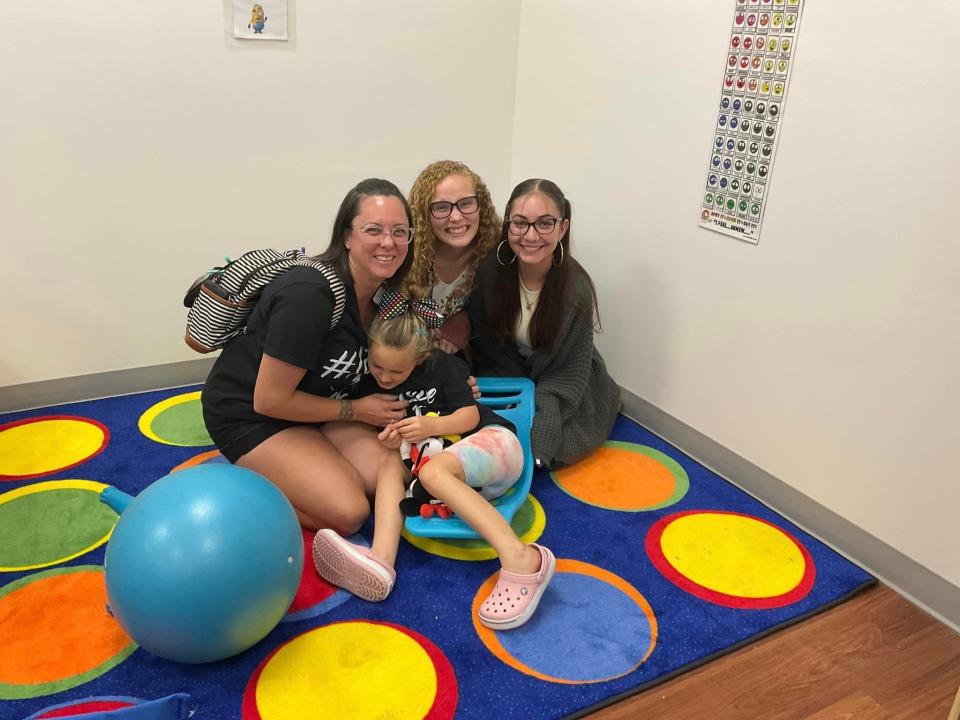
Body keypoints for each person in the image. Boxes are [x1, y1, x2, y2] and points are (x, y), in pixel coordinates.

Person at [312, 290, 556, 631]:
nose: (384, 377)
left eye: (396, 372)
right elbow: (400, 431)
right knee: (390, 466)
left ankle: (522, 558)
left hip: (494, 447)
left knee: (432, 472)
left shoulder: (441, 367)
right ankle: (381, 561)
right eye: (377, 366)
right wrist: (395, 435)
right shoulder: (372, 383)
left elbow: (469, 417)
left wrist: (432, 425)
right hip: (449, 480)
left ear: (419, 359)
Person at [200, 178, 416, 534]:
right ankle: (232, 487)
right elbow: (269, 400)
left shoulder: (384, 297)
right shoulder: (309, 295)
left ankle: (304, 465)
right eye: (373, 230)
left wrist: (452, 380)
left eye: (400, 231)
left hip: (316, 404)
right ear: (347, 236)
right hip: (250, 413)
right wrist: (357, 412)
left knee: (390, 477)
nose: (388, 243)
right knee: (349, 512)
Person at [468, 178, 621, 469]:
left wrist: (541, 427)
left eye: (544, 223)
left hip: (565, 375)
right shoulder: (489, 273)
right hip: (507, 371)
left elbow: (567, 374)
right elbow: (487, 347)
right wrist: (518, 394)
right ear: (508, 225)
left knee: (543, 447)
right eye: (520, 223)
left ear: (562, 228)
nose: (530, 235)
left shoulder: (576, 289)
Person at [407, 160, 501, 356]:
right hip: (405, 360)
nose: (456, 217)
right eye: (442, 207)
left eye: (466, 203)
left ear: (480, 205)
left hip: (470, 366)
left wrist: (462, 322)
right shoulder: (407, 253)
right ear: (425, 214)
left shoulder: (497, 253)